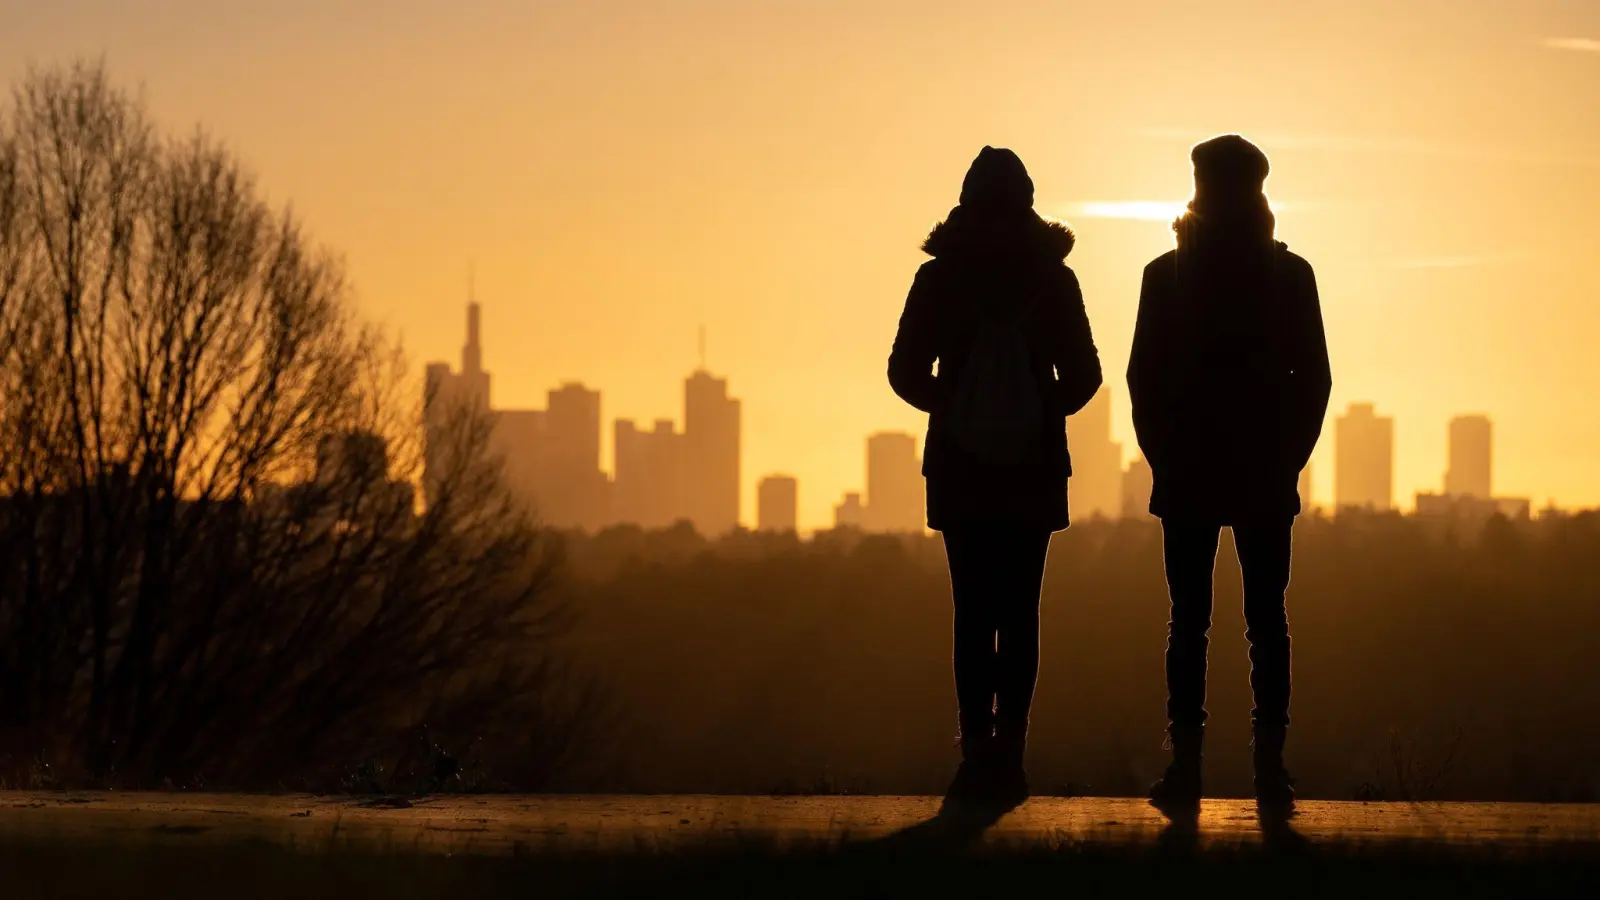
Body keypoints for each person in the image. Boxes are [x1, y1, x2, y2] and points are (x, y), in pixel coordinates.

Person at [889, 146, 1102, 806]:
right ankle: (1012, 752)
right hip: (1033, 471)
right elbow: (1087, 376)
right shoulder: (1054, 281)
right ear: (1028, 205)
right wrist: (1041, 410)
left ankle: (974, 752)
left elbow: (902, 371)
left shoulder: (939, 279)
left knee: (972, 613)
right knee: (1021, 611)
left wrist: (950, 406)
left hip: (960, 469)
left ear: (967, 204)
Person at [1127, 134, 1332, 813]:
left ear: (1198, 185)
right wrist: (1287, 460)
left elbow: (1142, 380)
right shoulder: (1290, 274)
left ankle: (1186, 769)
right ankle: (1269, 771)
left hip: (1189, 474)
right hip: (1262, 474)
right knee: (1267, 622)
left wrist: (1164, 457)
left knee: (1189, 623)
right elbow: (1316, 381)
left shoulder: (1165, 274)